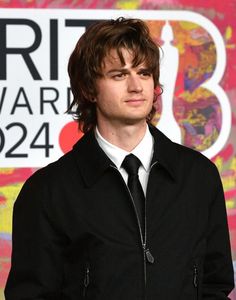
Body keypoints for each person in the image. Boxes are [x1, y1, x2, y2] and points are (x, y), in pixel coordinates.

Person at [5, 17, 234, 300]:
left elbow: (217, 283)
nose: (136, 86)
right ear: (89, 89)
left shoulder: (200, 177)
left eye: (144, 73)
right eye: (119, 75)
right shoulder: (47, 191)